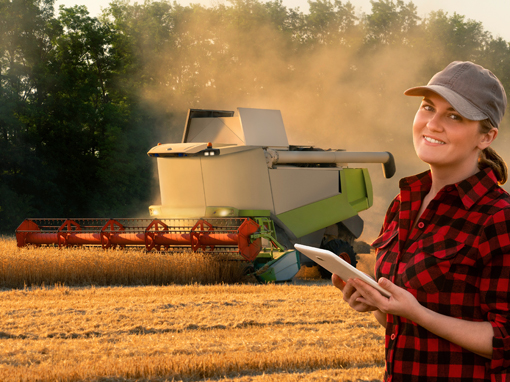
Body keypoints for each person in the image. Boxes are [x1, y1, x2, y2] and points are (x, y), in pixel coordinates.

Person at [333, 61, 510, 381]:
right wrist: (375, 303)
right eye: (428, 107)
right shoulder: (402, 205)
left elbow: (505, 341)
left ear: (487, 137)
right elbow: (400, 323)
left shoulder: (498, 218)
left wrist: (417, 312)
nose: (433, 123)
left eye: (454, 115)